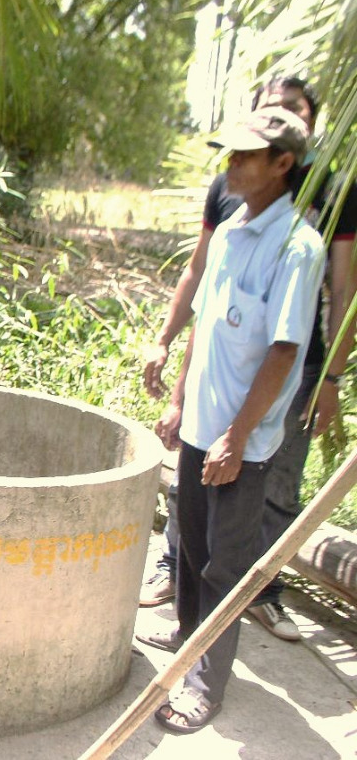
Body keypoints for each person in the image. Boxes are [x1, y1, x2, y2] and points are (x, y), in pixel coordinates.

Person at [140, 76, 357, 641]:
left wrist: (331, 375)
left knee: (269, 485)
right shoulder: (232, 197)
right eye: (270, 107)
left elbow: (342, 288)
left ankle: (257, 594)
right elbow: (202, 282)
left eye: (294, 109)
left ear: (288, 155)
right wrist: (171, 357)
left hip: (285, 366)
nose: (237, 160)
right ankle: (189, 598)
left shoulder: (326, 199)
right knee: (195, 493)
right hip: (222, 366)